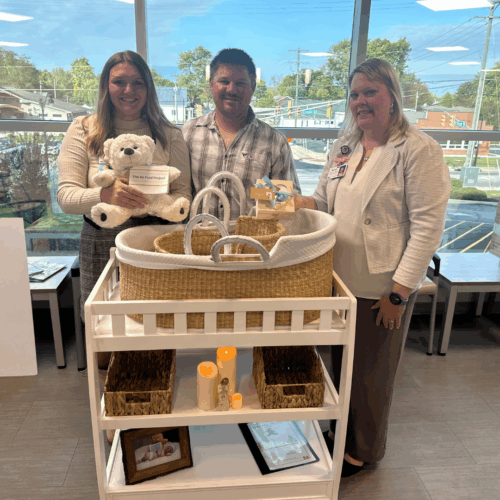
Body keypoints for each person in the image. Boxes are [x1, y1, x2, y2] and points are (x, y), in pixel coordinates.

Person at [295, 58, 450, 477]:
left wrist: (399, 293)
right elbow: (323, 202)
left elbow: (427, 229)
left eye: (370, 92)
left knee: (372, 375)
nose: (360, 101)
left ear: (392, 97)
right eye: (354, 94)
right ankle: (343, 431)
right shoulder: (345, 147)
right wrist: (295, 202)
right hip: (339, 279)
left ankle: (364, 450)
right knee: (343, 366)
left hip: (382, 285)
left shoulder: (417, 149)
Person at [57, 50, 192, 369]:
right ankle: (112, 391)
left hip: (155, 240)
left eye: (138, 82)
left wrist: (161, 202)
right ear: (106, 85)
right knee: (103, 334)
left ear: (148, 88)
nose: (129, 90)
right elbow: (65, 196)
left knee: (157, 326)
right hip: (102, 241)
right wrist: (105, 194)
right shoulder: (84, 129)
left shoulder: (168, 134)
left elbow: (183, 191)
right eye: (119, 82)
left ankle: (156, 388)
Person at [182, 48, 301, 220]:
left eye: (240, 83)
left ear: (253, 87)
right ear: (211, 84)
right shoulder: (188, 134)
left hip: (252, 237)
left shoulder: (275, 143)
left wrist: (272, 199)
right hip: (197, 236)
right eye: (224, 81)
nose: (231, 90)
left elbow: (285, 206)